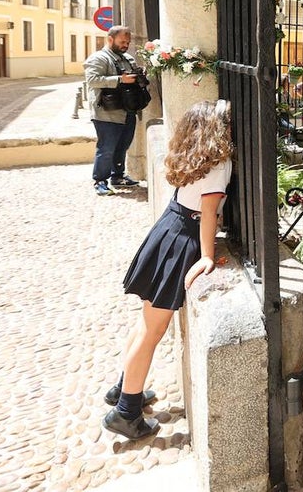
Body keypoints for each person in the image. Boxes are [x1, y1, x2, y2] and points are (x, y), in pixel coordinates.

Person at [102, 100, 232, 439]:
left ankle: (124, 386)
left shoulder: (192, 155)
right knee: (152, 330)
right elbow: (208, 213)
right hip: (182, 238)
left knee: (145, 321)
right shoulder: (218, 163)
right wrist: (206, 256)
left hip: (167, 228)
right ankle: (126, 412)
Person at [84, 25, 143, 196]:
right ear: (110, 39)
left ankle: (117, 176)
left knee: (122, 145)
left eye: (128, 42)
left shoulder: (127, 58)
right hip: (106, 113)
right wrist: (120, 79)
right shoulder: (98, 58)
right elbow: (93, 80)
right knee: (106, 147)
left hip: (127, 110)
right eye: (122, 41)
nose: (125, 45)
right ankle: (99, 181)